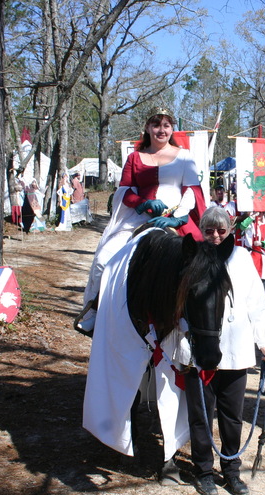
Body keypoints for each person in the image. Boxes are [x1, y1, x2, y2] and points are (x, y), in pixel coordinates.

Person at [76, 109, 206, 335]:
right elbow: (123, 192)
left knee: (202, 265)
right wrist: (143, 203)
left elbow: (191, 191)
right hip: (138, 220)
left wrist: (177, 217)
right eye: (156, 125)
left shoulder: (184, 156)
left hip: (175, 219)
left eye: (166, 125)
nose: (161, 130)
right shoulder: (134, 158)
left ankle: (201, 321)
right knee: (103, 259)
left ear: (172, 129)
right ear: (147, 128)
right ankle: (96, 311)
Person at [184, 206, 265, 495]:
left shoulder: (242, 258)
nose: (215, 236)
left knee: (232, 416)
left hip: (236, 349)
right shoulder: (192, 257)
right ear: (201, 231)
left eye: (221, 230)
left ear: (230, 231)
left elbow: (256, 303)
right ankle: (203, 471)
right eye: (209, 230)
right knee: (201, 416)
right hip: (200, 351)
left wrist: (263, 341)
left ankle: (231, 471)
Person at [234, 212, 265, 289]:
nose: (259, 215)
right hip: (249, 255)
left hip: (260, 256)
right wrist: (252, 217)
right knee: (248, 279)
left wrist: (262, 243)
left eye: (262, 213)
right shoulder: (249, 225)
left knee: (261, 281)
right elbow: (242, 226)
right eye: (258, 213)